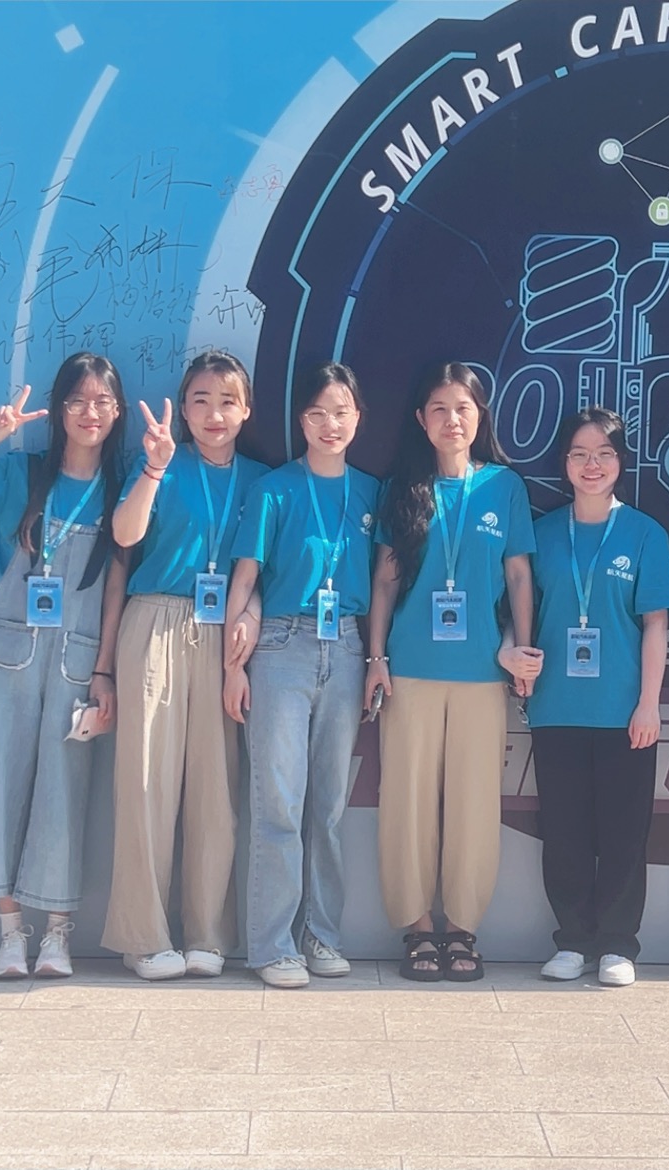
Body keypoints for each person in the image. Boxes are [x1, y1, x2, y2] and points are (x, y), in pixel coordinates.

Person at [0, 353, 129, 979]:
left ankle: (58, 934)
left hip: (79, 656)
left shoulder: (122, 489)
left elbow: (116, 588)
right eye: (77, 401)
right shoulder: (22, 474)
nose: (90, 413)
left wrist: (105, 670)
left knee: (66, 788)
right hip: (8, 651)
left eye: (102, 401)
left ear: (117, 411)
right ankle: (11, 934)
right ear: (58, 411)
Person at [365, 362, 538, 982]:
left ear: (480, 415)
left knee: (473, 806)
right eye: (438, 408)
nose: (452, 420)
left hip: (482, 673)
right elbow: (385, 583)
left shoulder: (504, 487)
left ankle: (462, 928)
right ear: (421, 419)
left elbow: (518, 575)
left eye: (463, 408)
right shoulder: (402, 488)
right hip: (411, 670)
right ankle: (417, 928)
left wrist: (523, 649)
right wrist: (377, 658)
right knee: (407, 803)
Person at [101, 351, 267, 980]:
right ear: (184, 409)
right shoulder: (160, 464)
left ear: (247, 410)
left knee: (216, 789)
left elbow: (267, 567)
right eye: (200, 400)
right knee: (147, 781)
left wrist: (249, 617)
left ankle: (207, 933)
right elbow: (124, 534)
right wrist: (153, 466)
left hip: (225, 633)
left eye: (227, 401)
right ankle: (143, 936)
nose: (214, 414)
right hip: (156, 620)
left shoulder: (262, 481)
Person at [222, 363, 378, 989]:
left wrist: (376, 659)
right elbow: (244, 579)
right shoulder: (274, 489)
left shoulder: (372, 493)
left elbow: (386, 582)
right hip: (281, 647)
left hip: (347, 647)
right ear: (300, 421)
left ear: (358, 418)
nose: (329, 425)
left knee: (329, 808)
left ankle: (322, 936)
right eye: (317, 414)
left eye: (340, 413)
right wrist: (233, 668)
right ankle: (272, 946)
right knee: (279, 805)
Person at [515, 408, 669, 988]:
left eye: (605, 454)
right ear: (564, 463)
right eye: (580, 454)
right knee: (564, 832)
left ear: (621, 463)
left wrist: (649, 703)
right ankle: (572, 941)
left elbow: (655, 624)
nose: (592, 465)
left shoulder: (643, 533)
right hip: (556, 707)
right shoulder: (540, 535)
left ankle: (617, 945)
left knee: (623, 834)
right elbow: (519, 612)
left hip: (623, 712)